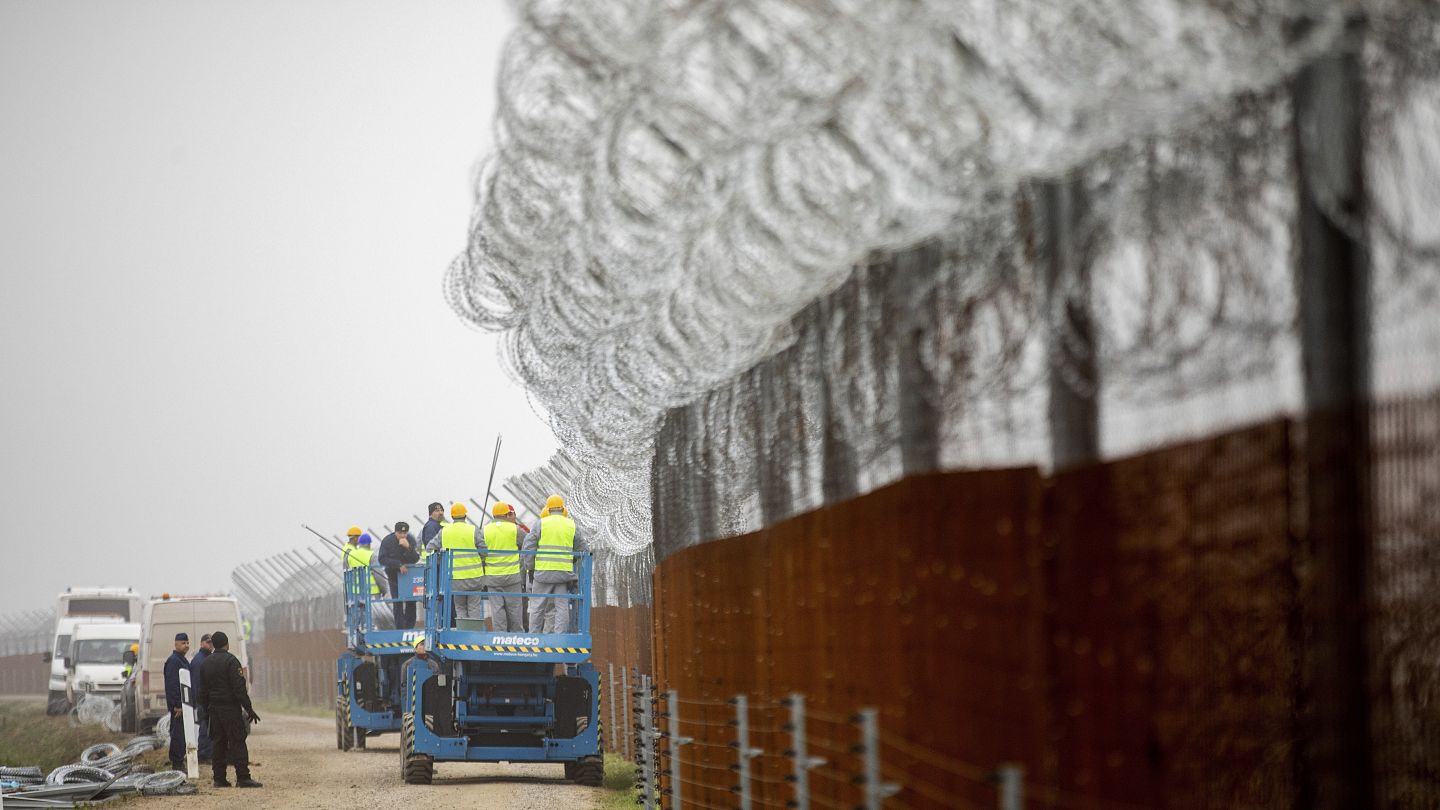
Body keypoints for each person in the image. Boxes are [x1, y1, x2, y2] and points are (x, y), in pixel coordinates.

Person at [197, 631, 261, 788]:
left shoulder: (206, 663)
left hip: (214, 710)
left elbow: (202, 691)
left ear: (213, 645)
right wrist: (249, 709)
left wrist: (206, 712)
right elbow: (239, 689)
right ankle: (243, 777)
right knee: (237, 741)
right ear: (227, 644)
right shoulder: (232, 661)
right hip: (230, 709)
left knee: (218, 743)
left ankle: (219, 778)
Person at [524, 495, 590, 634]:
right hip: (563, 575)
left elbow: (528, 547)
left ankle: (533, 637)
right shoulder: (571, 524)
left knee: (537, 607)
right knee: (562, 608)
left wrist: (530, 568)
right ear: (563, 508)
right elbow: (583, 550)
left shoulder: (540, 523)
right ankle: (560, 638)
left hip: (543, 573)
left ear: (547, 509)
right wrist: (571, 560)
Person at [427, 502, 486, 624]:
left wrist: (440, 560)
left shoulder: (444, 531)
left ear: (452, 516)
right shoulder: (473, 530)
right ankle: (473, 635)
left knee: (460, 608)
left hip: (453, 578)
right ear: (465, 515)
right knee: (474, 607)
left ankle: (462, 633)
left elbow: (430, 548)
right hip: (474, 577)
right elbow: (484, 551)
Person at [482, 502, 525, 632]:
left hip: (492, 577)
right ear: (507, 514)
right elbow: (527, 544)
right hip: (512, 576)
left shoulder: (485, 530)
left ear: (493, 515)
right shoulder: (515, 529)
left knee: (497, 609)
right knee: (515, 609)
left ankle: (500, 636)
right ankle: (517, 636)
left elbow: (480, 552)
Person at [377, 522, 420, 629]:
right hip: (394, 575)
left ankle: (410, 626)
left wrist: (408, 547)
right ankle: (400, 627)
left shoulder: (411, 540)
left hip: (408, 576)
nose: (402, 535)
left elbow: (415, 558)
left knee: (411, 600)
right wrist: (398, 565)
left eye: (405, 533)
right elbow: (382, 559)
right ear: (395, 532)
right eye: (400, 533)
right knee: (397, 601)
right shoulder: (387, 541)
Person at [162, 633, 190, 771]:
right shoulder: (174, 661)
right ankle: (177, 763)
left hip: (184, 704)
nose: (186, 645)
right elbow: (173, 685)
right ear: (176, 644)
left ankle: (180, 760)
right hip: (178, 707)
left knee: (182, 734)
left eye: (187, 643)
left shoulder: (182, 660)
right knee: (178, 734)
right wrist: (177, 705)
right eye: (183, 643)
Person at [189, 634, 214, 765]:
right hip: (203, 701)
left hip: (203, 700)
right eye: (208, 642)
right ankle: (204, 754)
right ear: (202, 643)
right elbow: (198, 683)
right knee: (205, 728)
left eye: (212, 643)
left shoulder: (204, 658)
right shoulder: (200, 661)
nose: (210, 645)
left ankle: (206, 753)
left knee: (207, 727)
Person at [345, 533, 382, 598]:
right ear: (369, 544)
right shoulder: (372, 555)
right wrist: (384, 590)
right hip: (372, 593)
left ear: (359, 543)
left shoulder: (349, 555)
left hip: (354, 593)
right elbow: (378, 574)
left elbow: (346, 573)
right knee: (373, 608)